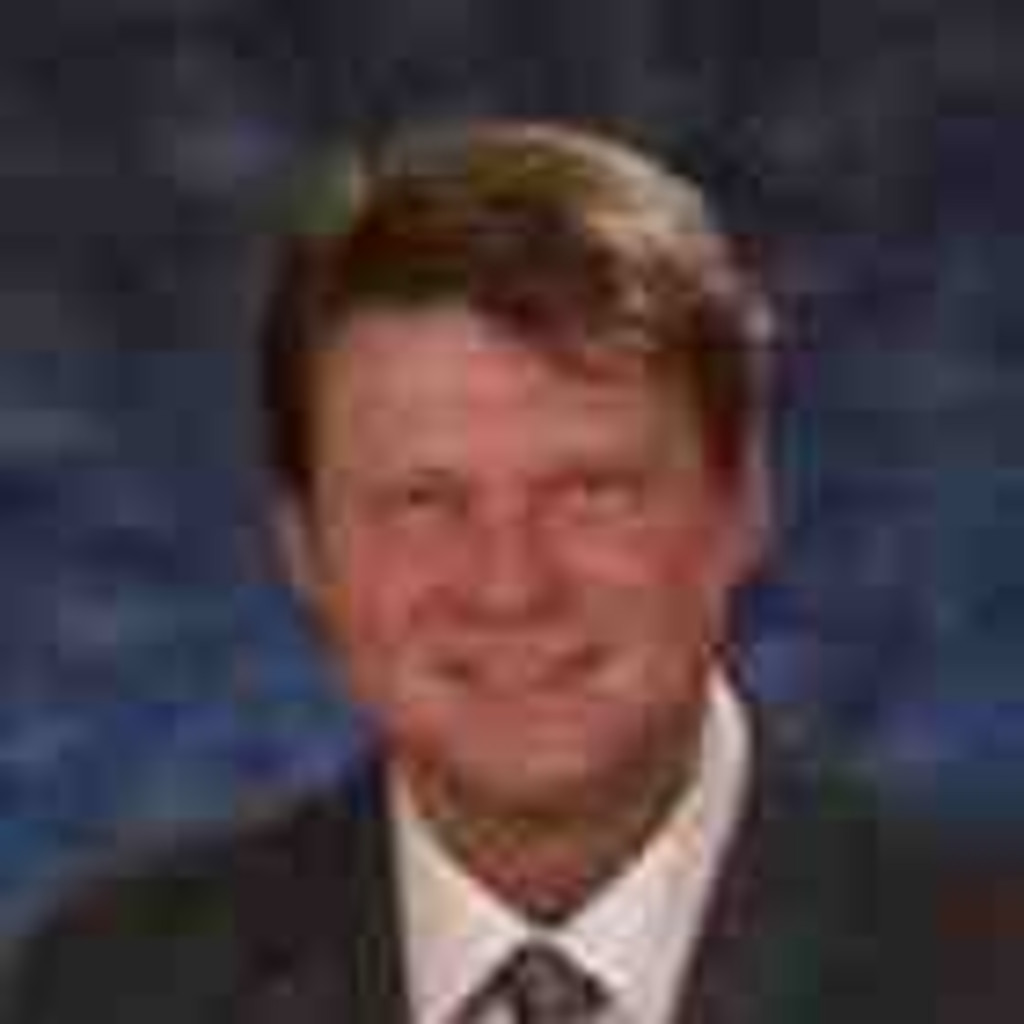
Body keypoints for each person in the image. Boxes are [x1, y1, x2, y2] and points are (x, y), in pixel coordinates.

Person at [2, 119, 1004, 1024]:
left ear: (741, 505)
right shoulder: (107, 990)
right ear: (303, 548)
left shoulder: (992, 965)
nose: (509, 585)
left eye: (591, 492)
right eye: (422, 502)